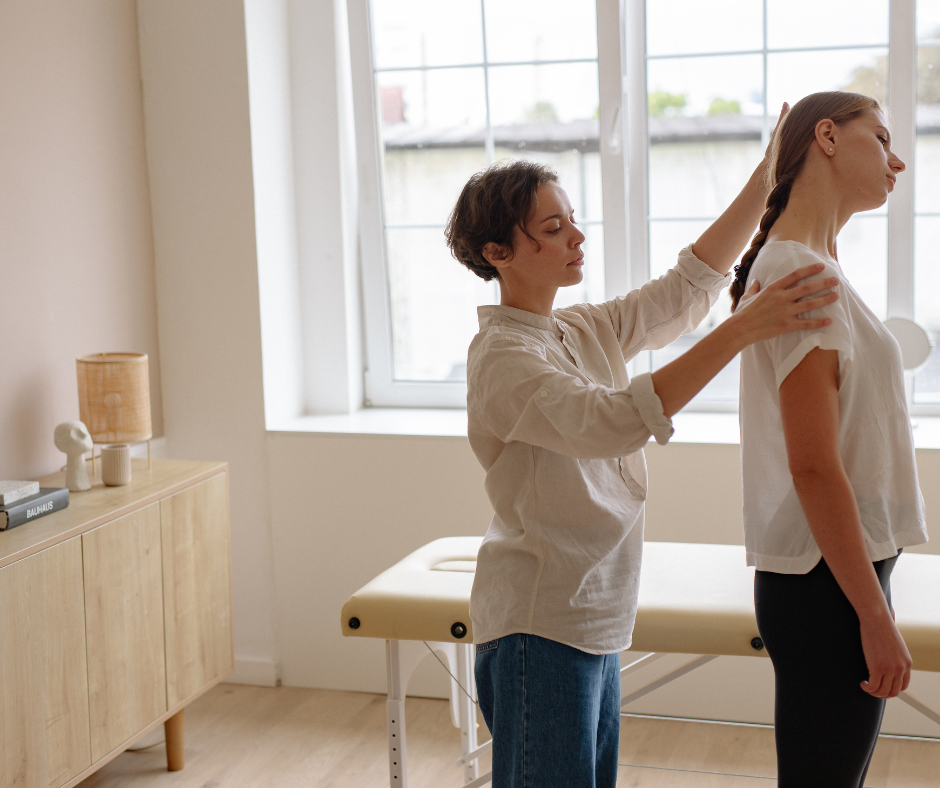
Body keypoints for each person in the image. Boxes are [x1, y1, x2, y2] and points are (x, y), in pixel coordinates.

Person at [444, 113, 841, 788]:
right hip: (538, 628)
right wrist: (744, 328)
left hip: (592, 619)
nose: (576, 236)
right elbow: (612, 420)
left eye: (570, 219)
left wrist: (767, 175)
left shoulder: (577, 329)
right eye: (552, 229)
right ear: (497, 253)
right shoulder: (503, 359)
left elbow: (687, 288)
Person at [731, 91, 929, 787]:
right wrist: (874, 618)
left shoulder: (816, 263)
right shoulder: (795, 271)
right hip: (826, 585)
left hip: (839, 574)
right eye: (881, 137)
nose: (897, 159)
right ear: (826, 137)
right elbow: (813, 465)